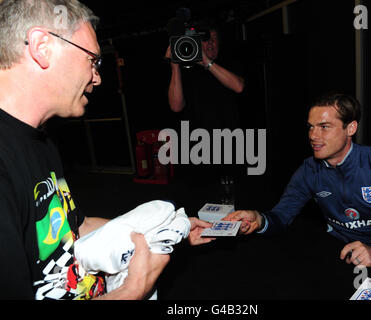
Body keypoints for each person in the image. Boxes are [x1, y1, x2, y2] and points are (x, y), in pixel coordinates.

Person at [0, 0, 212, 300]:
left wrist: (165, 231)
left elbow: (76, 227)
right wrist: (133, 291)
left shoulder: (40, 141)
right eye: (92, 60)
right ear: (42, 47)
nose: (97, 77)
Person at [225, 93, 371, 275]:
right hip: (341, 257)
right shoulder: (309, 170)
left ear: (351, 128)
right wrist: (258, 219)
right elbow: (282, 215)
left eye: (324, 127)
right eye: (311, 126)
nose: (313, 135)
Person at [166, 22, 245, 131]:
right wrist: (174, 66)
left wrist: (206, 62)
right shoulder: (188, 69)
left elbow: (239, 86)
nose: (211, 42)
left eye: (214, 38)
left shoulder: (228, 62)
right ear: (196, 42)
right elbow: (176, 106)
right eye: (206, 38)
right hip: (199, 143)